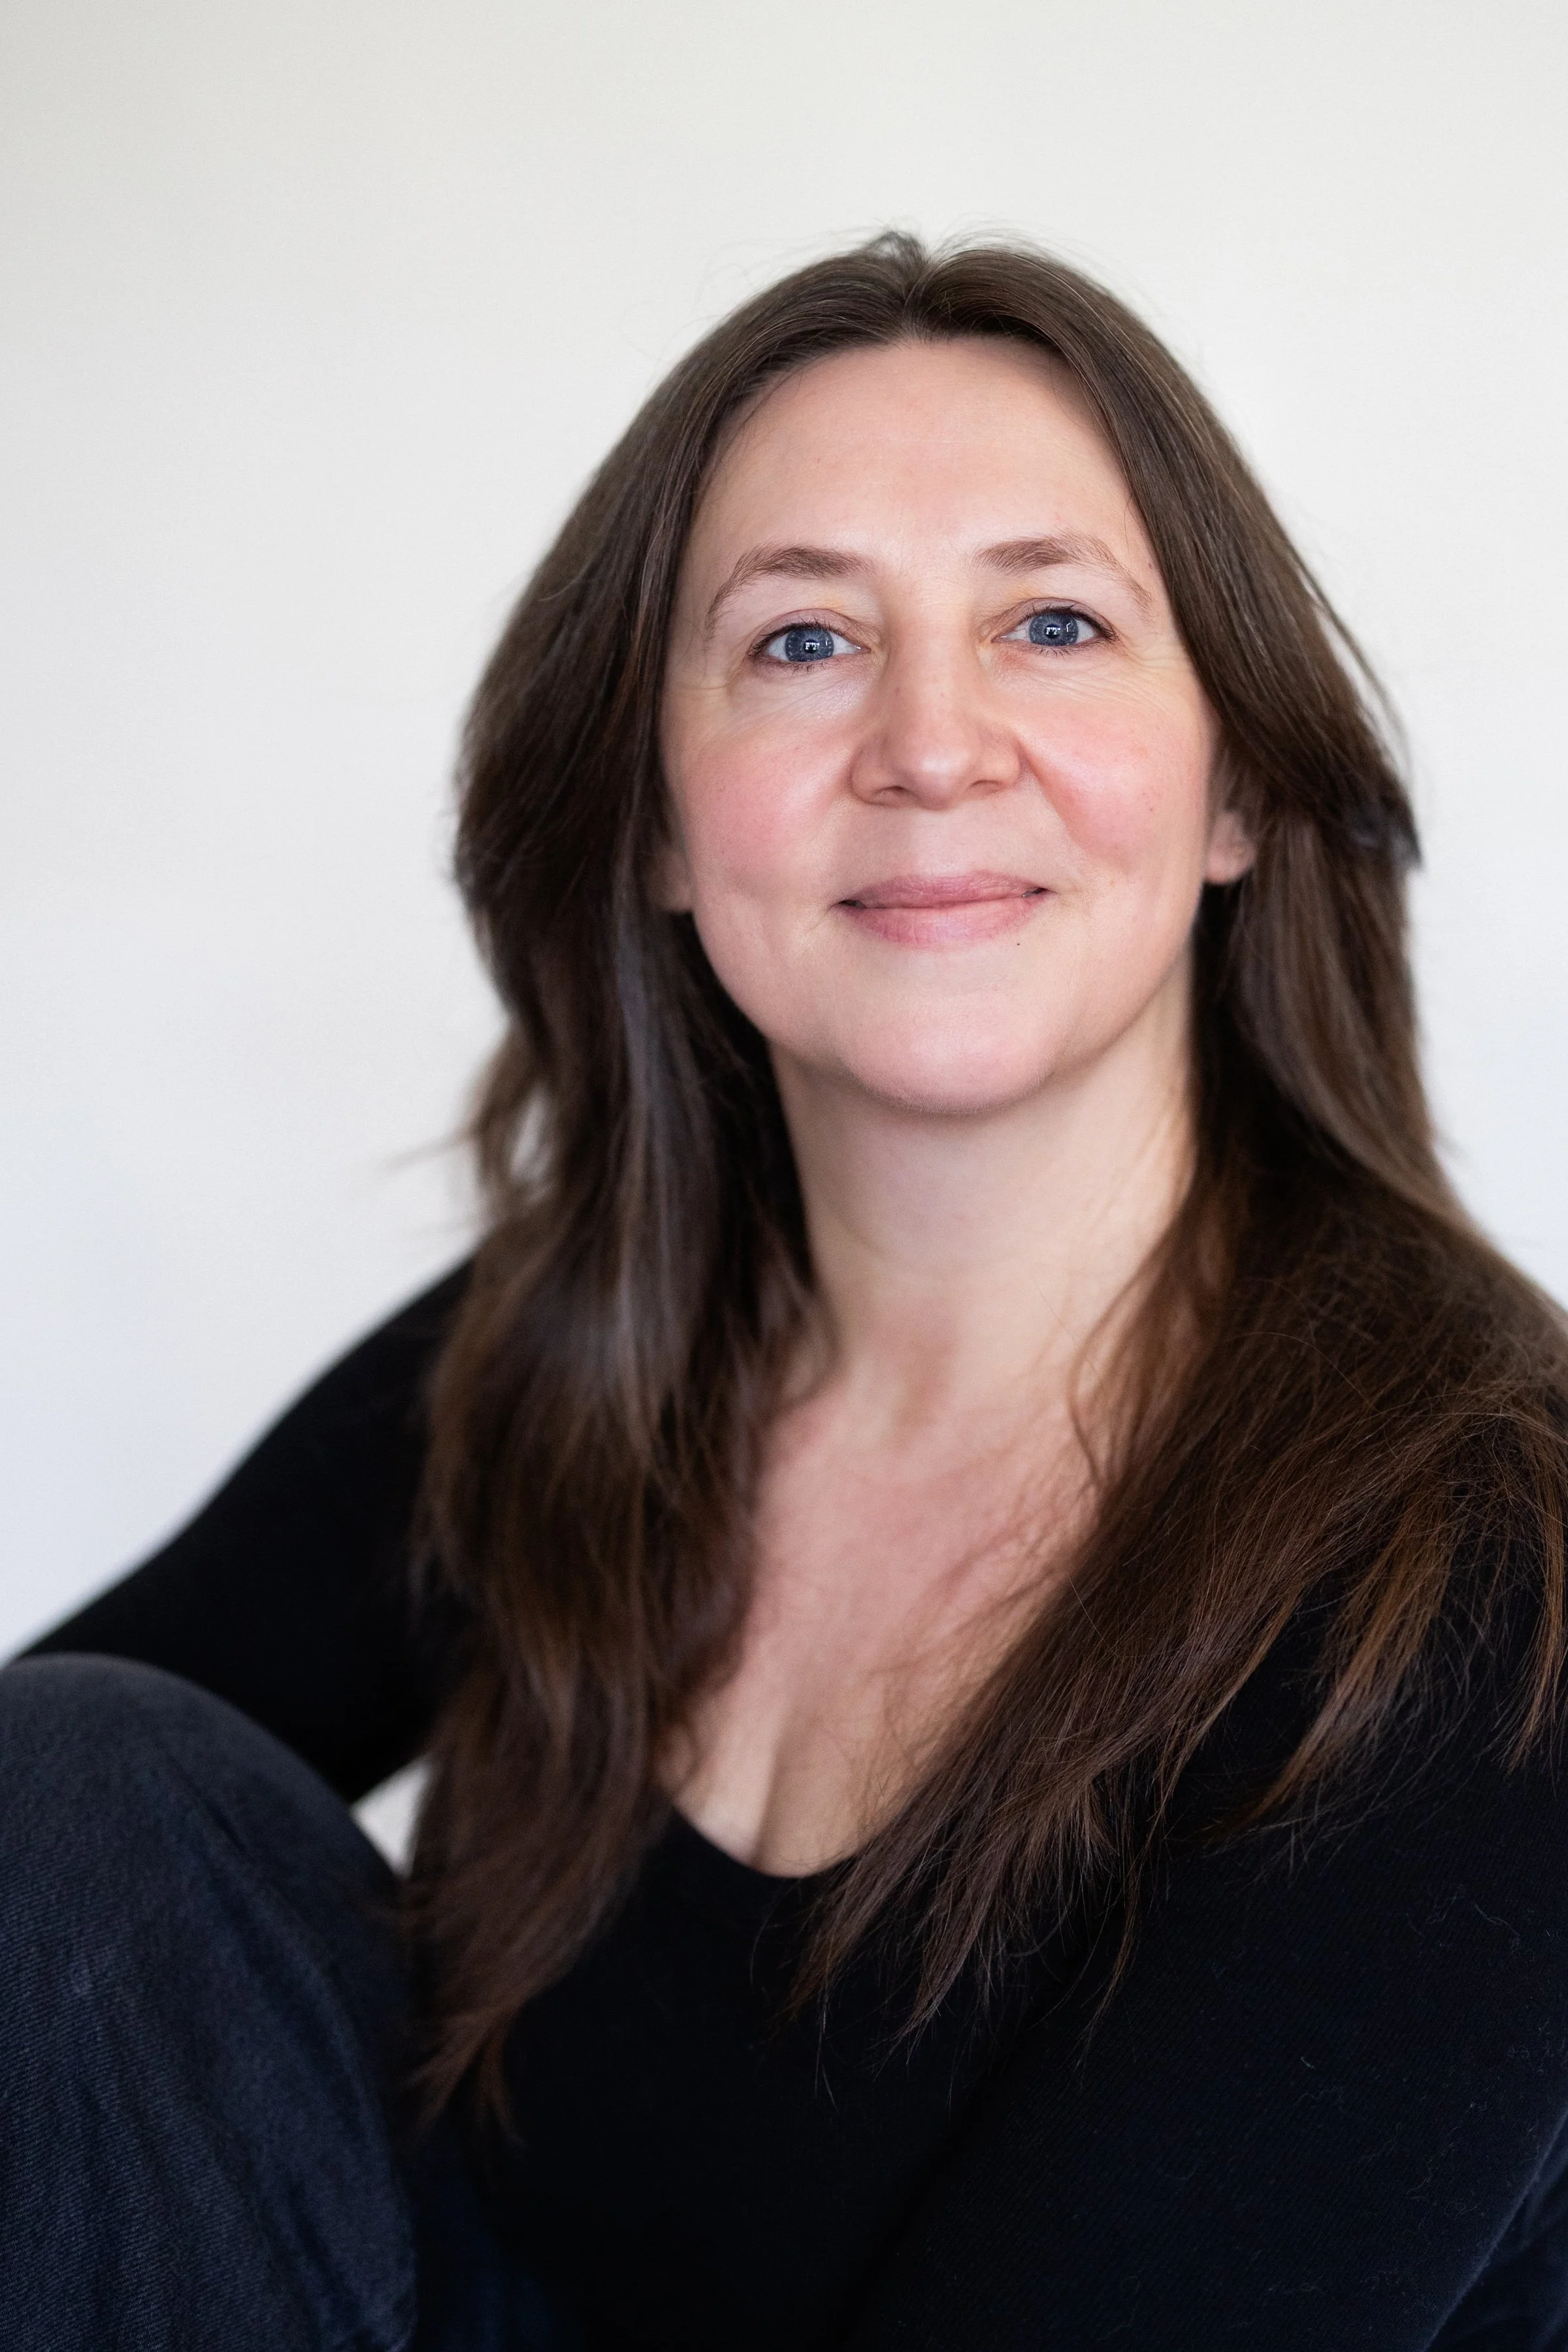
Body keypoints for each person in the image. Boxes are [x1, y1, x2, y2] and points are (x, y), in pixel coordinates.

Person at [7, 231, 1568, 2351]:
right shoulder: (569, 1359)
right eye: (808, 640)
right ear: (657, 821)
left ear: (1241, 789)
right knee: (80, 1789)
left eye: (1052, 621)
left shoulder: (1491, 1559)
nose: (935, 744)